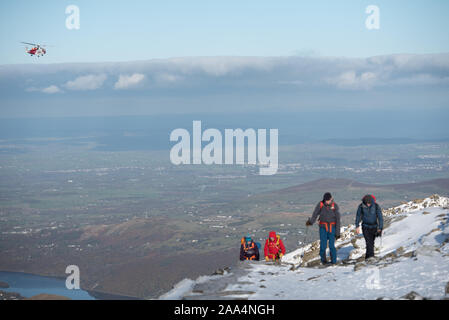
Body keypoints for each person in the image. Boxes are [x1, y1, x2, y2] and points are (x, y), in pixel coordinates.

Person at [306, 192, 341, 265]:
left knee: (331, 246)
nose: (327, 201)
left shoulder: (335, 206)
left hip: (332, 228)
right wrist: (311, 222)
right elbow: (315, 214)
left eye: (328, 200)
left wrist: (337, 233)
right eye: (326, 200)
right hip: (323, 228)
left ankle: (334, 262)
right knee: (323, 246)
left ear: (331, 199)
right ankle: (323, 261)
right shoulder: (321, 205)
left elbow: (338, 220)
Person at [355, 194, 383, 260]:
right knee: (369, 242)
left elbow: (380, 217)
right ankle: (371, 258)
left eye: (369, 203)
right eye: (367, 203)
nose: (368, 205)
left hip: (374, 227)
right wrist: (357, 226)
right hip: (365, 227)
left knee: (371, 243)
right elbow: (358, 216)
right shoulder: (361, 206)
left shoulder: (376, 206)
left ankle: (367, 258)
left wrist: (380, 228)